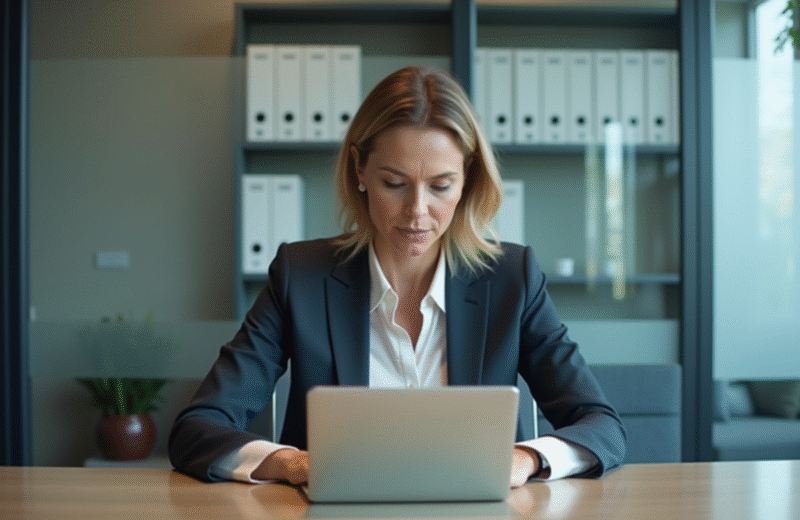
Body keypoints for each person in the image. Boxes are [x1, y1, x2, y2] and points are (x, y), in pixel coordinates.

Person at [169, 66, 627, 487]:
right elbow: (197, 429)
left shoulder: (512, 278)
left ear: (467, 178)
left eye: (441, 186)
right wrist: (297, 464)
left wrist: (523, 459)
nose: (417, 212)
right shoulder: (301, 277)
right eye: (395, 183)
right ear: (360, 169)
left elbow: (602, 427)